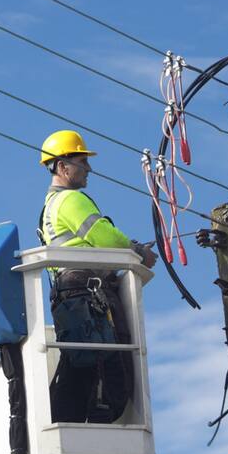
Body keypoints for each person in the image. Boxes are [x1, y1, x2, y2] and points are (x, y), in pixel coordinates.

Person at [37, 129, 156, 423]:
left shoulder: (50, 206)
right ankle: (91, 419)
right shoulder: (71, 200)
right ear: (62, 167)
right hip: (86, 292)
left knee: (83, 364)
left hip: (72, 295)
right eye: (82, 161)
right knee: (107, 365)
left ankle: (72, 422)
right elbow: (105, 237)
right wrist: (138, 251)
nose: (89, 168)